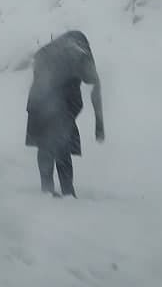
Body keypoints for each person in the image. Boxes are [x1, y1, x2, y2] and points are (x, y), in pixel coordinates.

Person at [25, 31, 104, 197]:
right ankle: (68, 193)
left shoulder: (44, 52)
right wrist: (99, 123)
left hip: (37, 103)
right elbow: (96, 84)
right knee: (62, 148)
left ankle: (46, 189)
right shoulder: (80, 53)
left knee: (45, 145)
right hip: (59, 107)